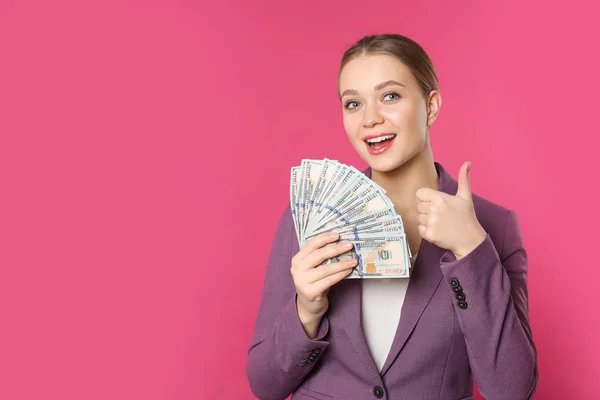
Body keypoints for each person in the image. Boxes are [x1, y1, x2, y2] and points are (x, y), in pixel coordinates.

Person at [246, 33, 538, 400]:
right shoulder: (306, 219)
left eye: (390, 96)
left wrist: (470, 249)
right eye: (353, 104)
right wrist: (306, 311)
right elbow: (264, 385)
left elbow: (511, 391)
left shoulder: (493, 227)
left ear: (430, 106)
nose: (370, 119)